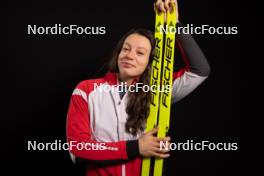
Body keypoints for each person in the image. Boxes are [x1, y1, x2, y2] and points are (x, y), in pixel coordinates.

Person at [66, 0, 210, 175]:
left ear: (149, 62)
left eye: (140, 53)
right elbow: (78, 150)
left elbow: (200, 70)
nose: (130, 56)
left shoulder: (155, 91)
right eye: (125, 49)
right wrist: (136, 147)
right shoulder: (86, 90)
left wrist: (174, 24)